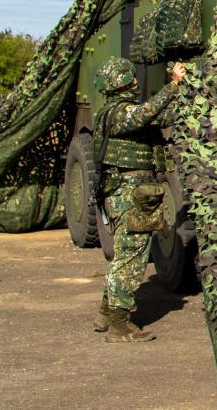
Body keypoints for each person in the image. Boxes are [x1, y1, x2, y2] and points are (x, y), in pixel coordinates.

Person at [91, 56, 186, 343]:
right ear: (122, 82)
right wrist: (172, 85)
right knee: (132, 255)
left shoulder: (120, 112)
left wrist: (186, 94)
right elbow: (144, 113)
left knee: (124, 253)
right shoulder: (115, 114)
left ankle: (107, 314)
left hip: (130, 192)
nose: (136, 82)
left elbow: (161, 117)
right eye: (132, 78)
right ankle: (120, 325)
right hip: (127, 194)